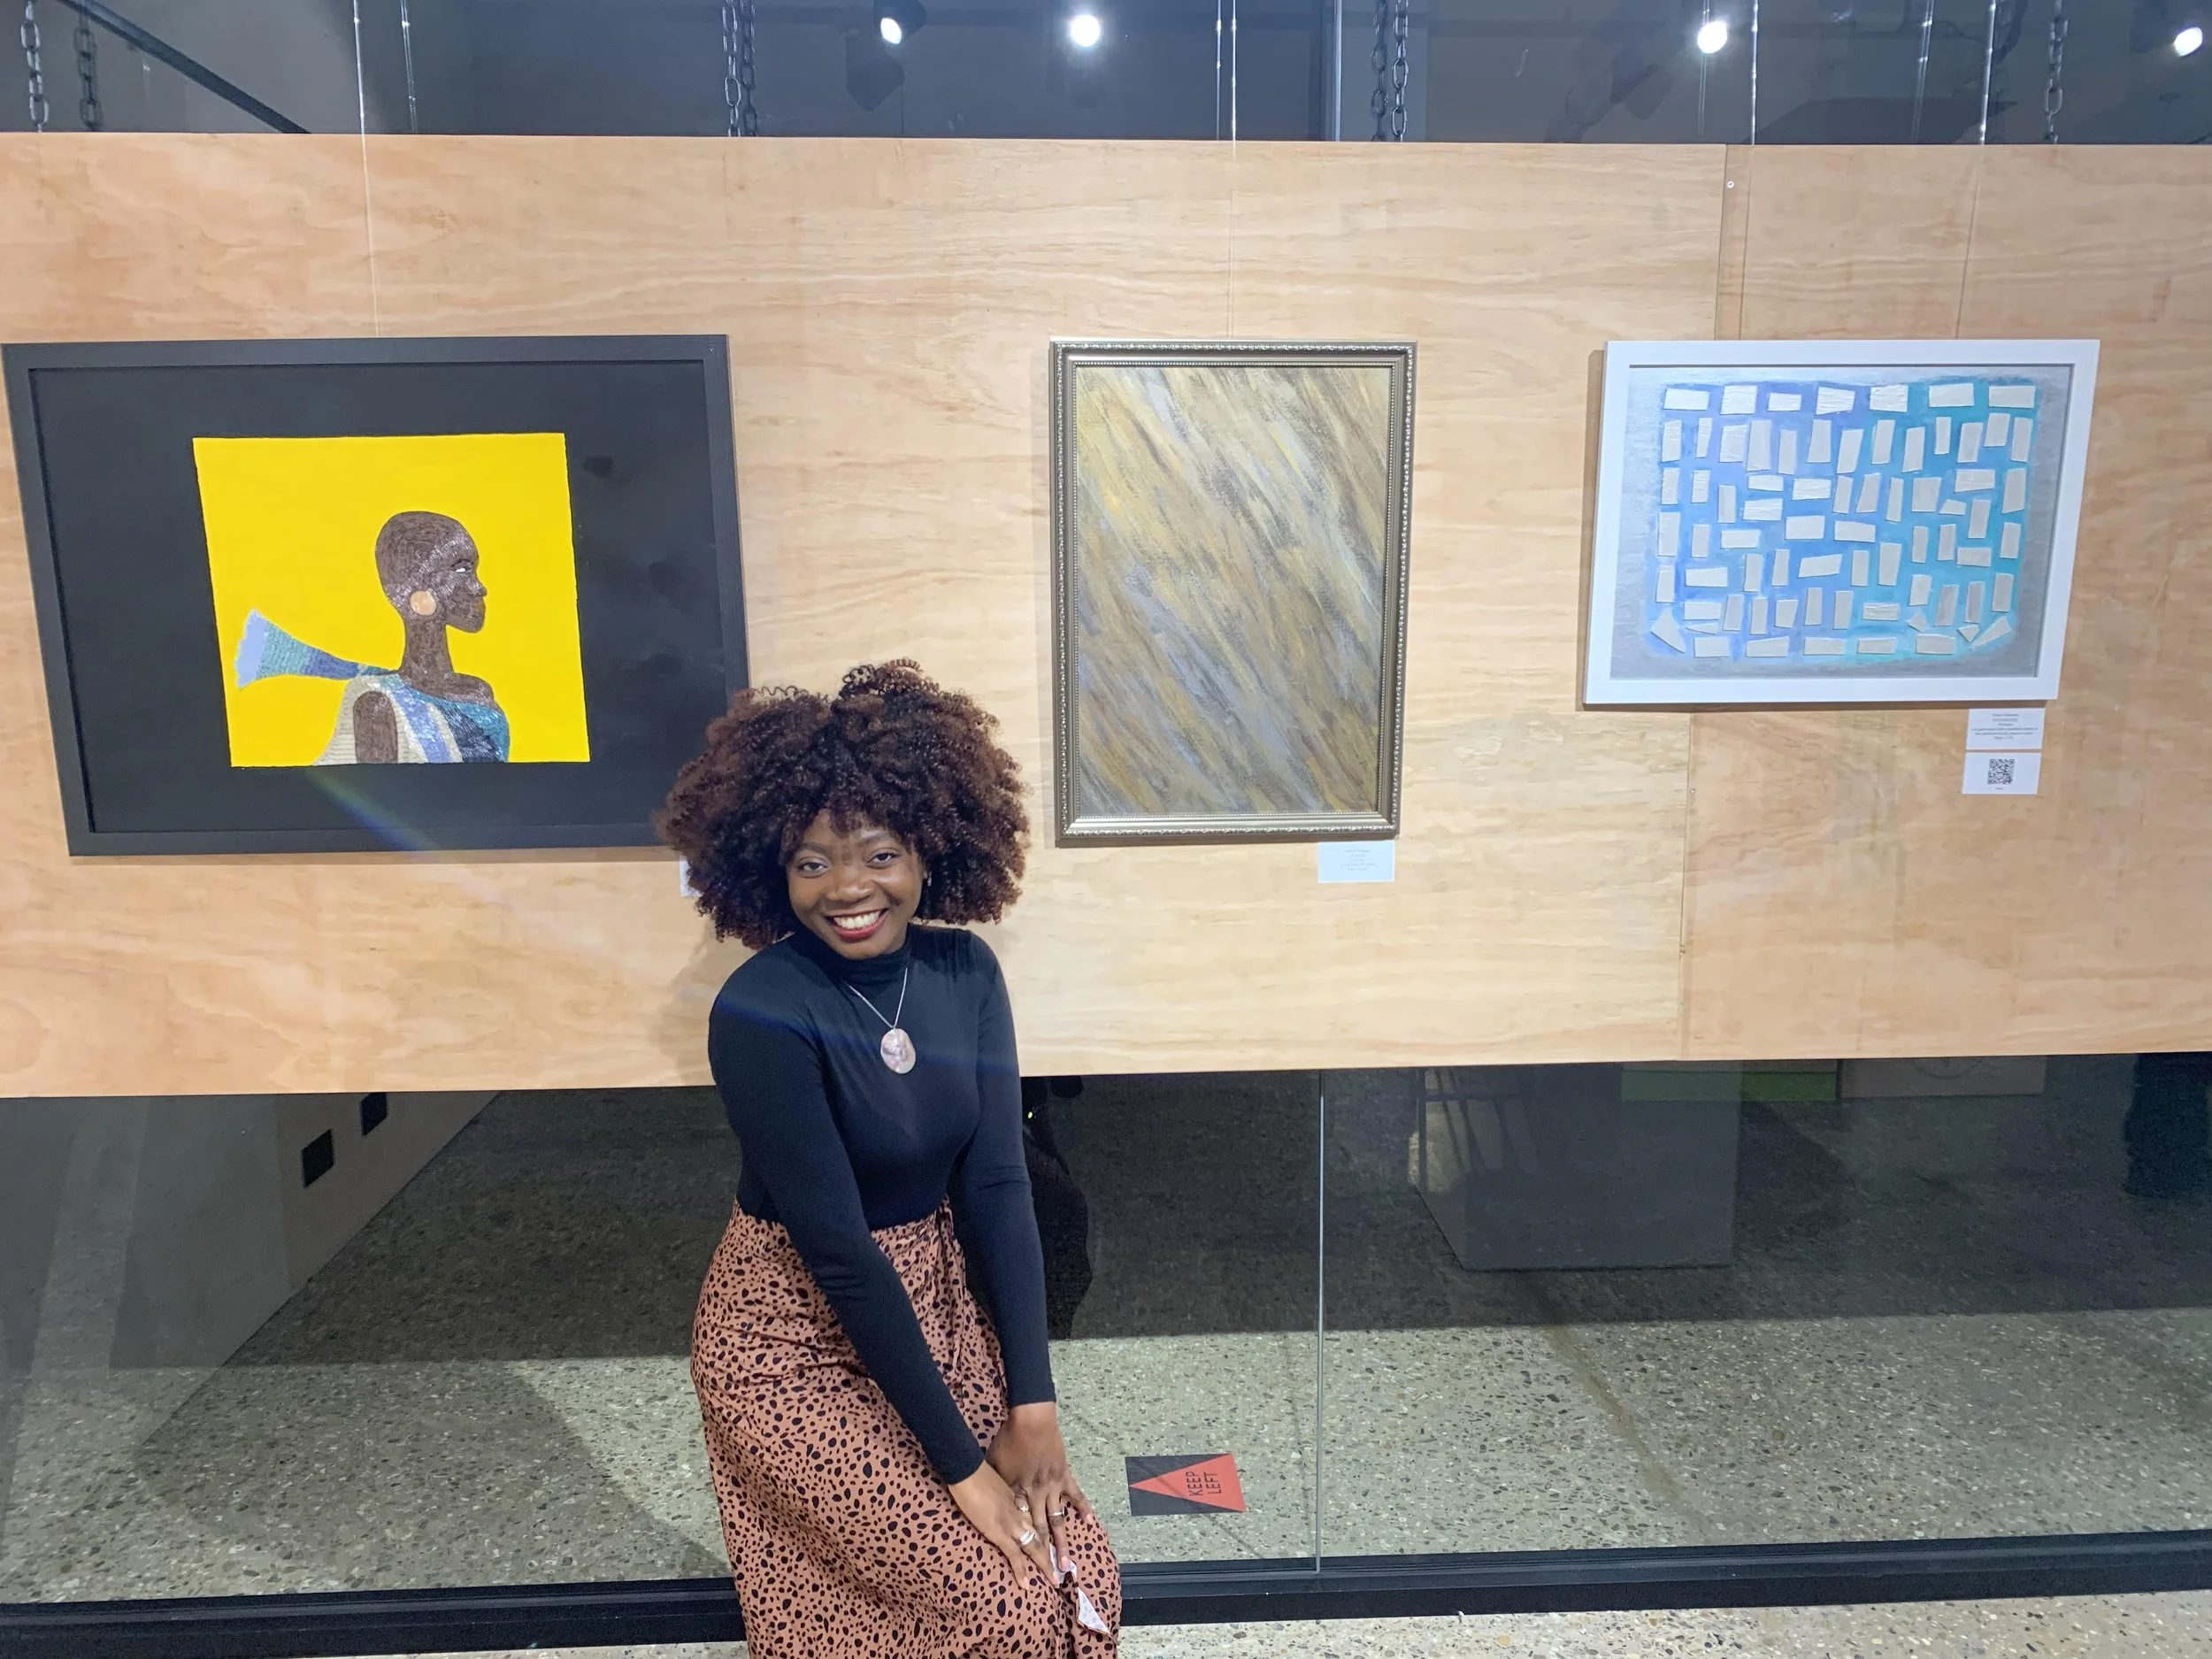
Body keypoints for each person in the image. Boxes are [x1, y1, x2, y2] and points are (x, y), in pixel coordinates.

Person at [661, 661, 1120, 1659]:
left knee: (1075, 1571)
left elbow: (997, 1182)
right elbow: (840, 1256)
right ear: (770, 870)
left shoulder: (966, 972)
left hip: (934, 1317)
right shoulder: (760, 1010)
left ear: (929, 848)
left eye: (878, 853)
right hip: (789, 1345)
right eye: (811, 862)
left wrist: (1033, 1406)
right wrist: (960, 1469)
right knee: (996, 1602)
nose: (848, 888)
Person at [231, 509, 509, 764]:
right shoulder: (378, 705)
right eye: (462, 569)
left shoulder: (478, 690)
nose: (480, 587)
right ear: (420, 597)